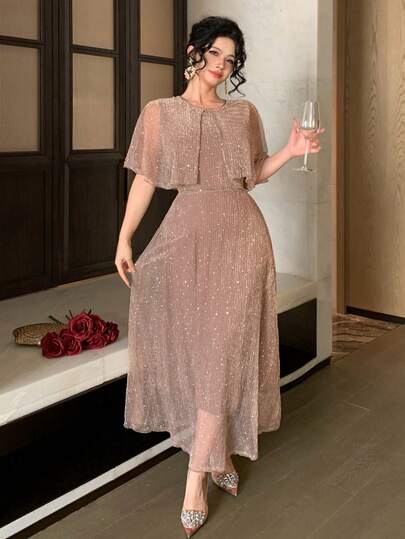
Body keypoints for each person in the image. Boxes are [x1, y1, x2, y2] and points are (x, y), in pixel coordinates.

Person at [115, 15, 325, 538]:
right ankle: (219, 455)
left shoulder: (242, 114)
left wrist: (291, 151)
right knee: (200, 352)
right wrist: (124, 238)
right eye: (214, 54)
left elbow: (253, 174)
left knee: (224, 352)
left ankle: (195, 482)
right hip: (186, 241)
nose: (222, 66)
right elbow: (145, 178)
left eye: (231, 60)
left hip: (241, 242)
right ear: (194, 52)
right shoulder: (159, 113)